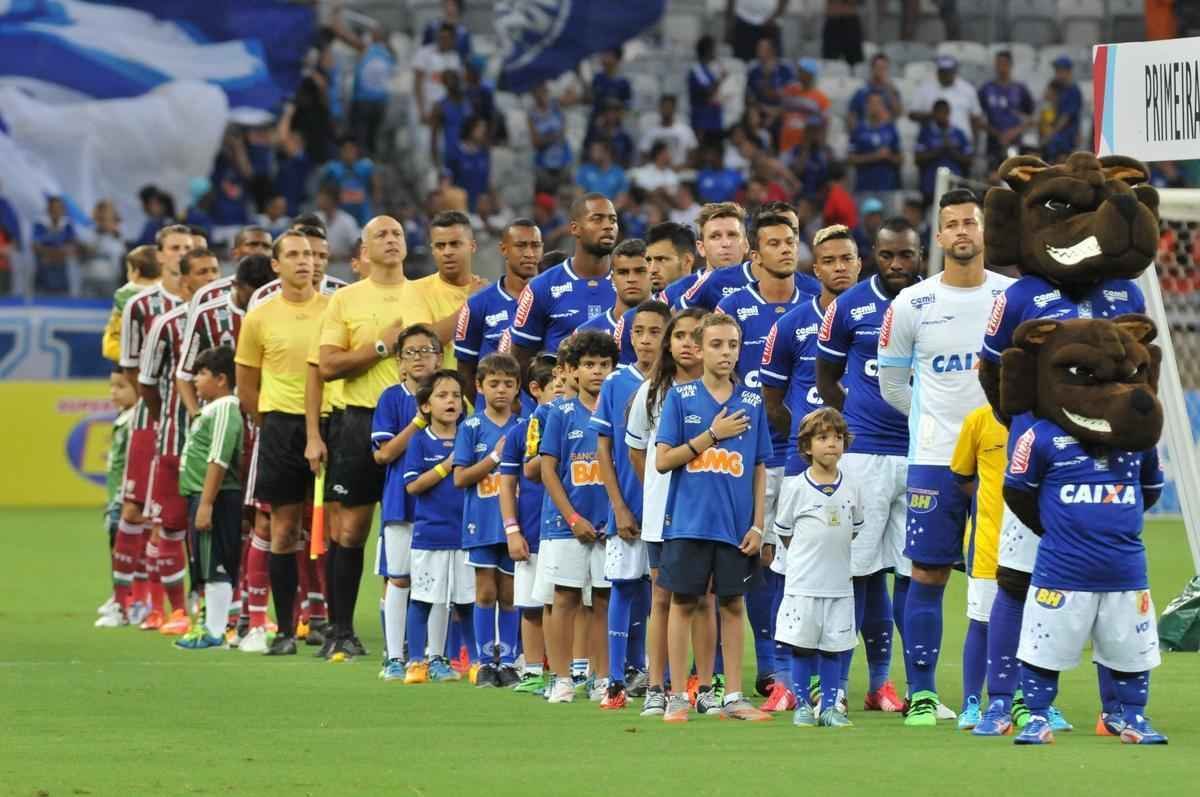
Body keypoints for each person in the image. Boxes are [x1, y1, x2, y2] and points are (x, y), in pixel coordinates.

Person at [877, 190, 1014, 725]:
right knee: (928, 572)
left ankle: (1008, 695)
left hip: (1001, 459)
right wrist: (927, 421)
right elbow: (891, 380)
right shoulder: (912, 302)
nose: (961, 232)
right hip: (935, 458)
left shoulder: (1010, 296)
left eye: (970, 223)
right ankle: (926, 694)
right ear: (938, 237)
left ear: (983, 233)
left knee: (1008, 576)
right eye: (951, 224)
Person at [1004, 386, 1166, 746]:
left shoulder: (1137, 438)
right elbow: (1017, 491)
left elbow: (1150, 491)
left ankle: (1134, 718)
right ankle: (1038, 718)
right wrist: (1059, 531)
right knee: (1041, 649)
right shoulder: (1041, 435)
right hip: (1061, 573)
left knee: (1132, 652)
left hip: (1125, 572)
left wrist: (1112, 526)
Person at [815, 217, 922, 714]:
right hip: (865, 458)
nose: (898, 264)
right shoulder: (849, 306)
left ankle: (891, 684)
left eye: (906, 255)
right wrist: (857, 421)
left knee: (913, 573)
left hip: (923, 457)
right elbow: (828, 377)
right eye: (888, 256)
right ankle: (834, 683)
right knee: (854, 573)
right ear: (873, 256)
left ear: (920, 254)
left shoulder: (933, 302)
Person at [758, 223, 861, 710]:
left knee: (856, 569)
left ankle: (853, 683)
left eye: (848, 258)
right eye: (830, 261)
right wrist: (807, 439)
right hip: (797, 469)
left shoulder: (877, 317)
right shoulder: (791, 324)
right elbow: (772, 398)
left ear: (859, 263)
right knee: (784, 566)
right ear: (814, 269)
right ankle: (784, 678)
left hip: (855, 462)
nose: (840, 267)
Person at [656, 312, 773, 722]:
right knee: (683, 601)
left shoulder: (752, 402)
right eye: (717, 345)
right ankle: (676, 696)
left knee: (733, 605)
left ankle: (734, 696)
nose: (726, 353)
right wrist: (711, 436)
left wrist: (759, 525)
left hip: (735, 527)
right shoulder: (680, 398)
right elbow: (663, 460)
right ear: (701, 349)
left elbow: (759, 467)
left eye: (733, 346)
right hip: (688, 522)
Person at [318, 215, 420, 658]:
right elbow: (327, 365)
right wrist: (382, 346)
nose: (391, 240)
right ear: (363, 249)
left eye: (397, 233)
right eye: (381, 234)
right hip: (359, 419)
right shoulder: (345, 300)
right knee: (352, 527)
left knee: (420, 528)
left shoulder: (423, 293)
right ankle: (340, 629)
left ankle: (419, 638)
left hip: (416, 420)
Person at [235, 231, 329, 655]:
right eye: (293, 255)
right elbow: (246, 388)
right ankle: (287, 630)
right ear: (275, 265)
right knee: (285, 529)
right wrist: (273, 421)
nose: (304, 261)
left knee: (336, 529)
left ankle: (331, 621)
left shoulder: (334, 309)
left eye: (309, 254)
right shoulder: (260, 317)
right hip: (280, 429)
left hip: (331, 423)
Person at [624, 308, 706, 714]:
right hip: (664, 516)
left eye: (697, 336)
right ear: (668, 344)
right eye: (680, 336)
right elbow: (637, 450)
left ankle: (703, 685)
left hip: (709, 514)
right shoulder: (652, 391)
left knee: (705, 599)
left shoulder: (722, 391)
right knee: (662, 598)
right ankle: (657, 685)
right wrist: (655, 493)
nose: (688, 343)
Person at [138, 248, 220, 637]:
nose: (211, 277)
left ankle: (215, 605)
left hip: (223, 443)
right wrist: (174, 420)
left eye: (215, 270)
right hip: (176, 440)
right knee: (171, 525)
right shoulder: (166, 324)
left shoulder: (231, 322)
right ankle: (175, 609)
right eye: (202, 272)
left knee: (222, 527)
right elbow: (148, 385)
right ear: (185, 281)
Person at [113, 225, 192, 630]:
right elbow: (131, 368)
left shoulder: (211, 301)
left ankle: (182, 602)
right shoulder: (141, 306)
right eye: (176, 248)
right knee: (138, 509)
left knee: (188, 516)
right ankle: (130, 600)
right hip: (153, 418)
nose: (183, 253)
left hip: (197, 423)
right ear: (159, 255)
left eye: (189, 247)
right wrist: (162, 410)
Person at [592, 300, 670, 708]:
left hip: (671, 511)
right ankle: (616, 680)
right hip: (627, 507)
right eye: (638, 332)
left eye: (655, 332)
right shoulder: (615, 383)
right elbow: (603, 449)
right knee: (623, 586)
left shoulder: (679, 383)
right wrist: (618, 506)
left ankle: (664, 678)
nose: (645, 340)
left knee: (664, 592)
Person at [539, 331, 620, 703]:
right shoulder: (560, 412)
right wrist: (572, 518)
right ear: (572, 370)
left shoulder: (620, 410)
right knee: (565, 598)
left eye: (604, 365)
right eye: (589, 365)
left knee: (604, 599)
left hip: (610, 525)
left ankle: (603, 678)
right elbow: (548, 470)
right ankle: (561, 678)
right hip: (564, 526)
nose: (597, 372)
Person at [773, 407, 863, 726]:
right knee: (802, 647)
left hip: (839, 585)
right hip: (803, 585)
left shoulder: (852, 486)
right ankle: (801, 706)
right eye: (823, 438)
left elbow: (854, 528)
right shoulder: (796, 487)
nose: (831, 444)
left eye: (837, 438)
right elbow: (784, 533)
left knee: (832, 649)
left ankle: (828, 708)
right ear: (807, 446)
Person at [374, 326, 445, 680]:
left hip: (442, 504)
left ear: (440, 357)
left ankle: (436, 657)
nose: (419, 358)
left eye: (426, 350)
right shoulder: (391, 399)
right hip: (401, 503)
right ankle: (393, 656)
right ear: (399, 363)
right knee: (400, 578)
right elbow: (384, 453)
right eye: (410, 353)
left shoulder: (451, 396)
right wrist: (421, 420)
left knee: (438, 581)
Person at [400, 370, 474, 684]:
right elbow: (413, 486)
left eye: (456, 395)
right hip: (431, 535)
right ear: (426, 406)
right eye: (442, 396)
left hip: (467, 534)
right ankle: (417, 661)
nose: (451, 401)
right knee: (423, 599)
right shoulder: (419, 442)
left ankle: (471, 660)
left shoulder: (471, 435)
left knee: (466, 600)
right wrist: (448, 465)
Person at [453, 353, 522, 685]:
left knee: (509, 593)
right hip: (480, 521)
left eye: (508, 384)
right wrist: (496, 456)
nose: (501, 390)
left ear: (518, 388)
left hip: (513, 524)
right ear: (479, 387)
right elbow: (460, 477)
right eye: (494, 384)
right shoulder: (471, 427)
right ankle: (483, 662)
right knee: (484, 592)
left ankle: (507, 660)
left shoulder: (524, 426)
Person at [174, 346, 244, 649]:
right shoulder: (213, 408)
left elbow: (219, 458)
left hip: (216, 498)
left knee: (215, 562)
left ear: (221, 379)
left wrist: (206, 503)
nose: (196, 380)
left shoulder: (226, 407)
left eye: (202, 374)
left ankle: (215, 630)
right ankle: (211, 624)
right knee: (205, 562)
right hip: (202, 496)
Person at [506, 194, 617, 377]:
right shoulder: (541, 287)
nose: (608, 226)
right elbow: (521, 359)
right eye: (597, 219)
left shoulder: (632, 282)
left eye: (613, 219)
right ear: (574, 228)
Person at [498, 358, 560, 693]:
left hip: (567, 530)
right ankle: (534, 670)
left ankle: (576, 671)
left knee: (569, 605)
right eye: (556, 383)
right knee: (533, 607)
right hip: (532, 530)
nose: (563, 388)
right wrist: (512, 530)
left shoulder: (580, 422)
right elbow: (507, 485)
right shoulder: (520, 432)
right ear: (536, 389)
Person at [947, 404, 1007, 729]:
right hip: (987, 543)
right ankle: (972, 701)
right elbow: (961, 475)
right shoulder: (978, 420)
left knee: (1032, 627)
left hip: (1033, 544)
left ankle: (1027, 702)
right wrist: (988, 503)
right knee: (982, 623)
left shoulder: (1041, 417)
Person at [455, 219, 543, 401]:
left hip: (543, 414)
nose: (529, 253)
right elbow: (465, 370)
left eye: (535, 246)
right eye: (521, 246)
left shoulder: (551, 299)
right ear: (504, 249)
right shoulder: (477, 304)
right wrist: (490, 410)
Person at [95, 368, 139, 628]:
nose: (114, 392)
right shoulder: (123, 417)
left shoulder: (136, 420)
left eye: (121, 386)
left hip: (126, 495)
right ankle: (120, 595)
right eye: (112, 386)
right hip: (116, 494)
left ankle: (128, 600)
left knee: (125, 547)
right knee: (116, 545)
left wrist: (124, 495)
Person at [578, 238, 651, 347]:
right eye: (623, 272)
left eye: (640, 271)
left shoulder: (671, 324)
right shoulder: (585, 334)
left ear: (652, 274)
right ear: (612, 278)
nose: (631, 279)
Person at [978, 50, 1035, 171]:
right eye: (998, 64)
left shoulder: (1020, 89)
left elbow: (1031, 118)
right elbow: (977, 117)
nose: (1001, 67)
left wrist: (1014, 132)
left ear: (1010, 65)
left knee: (1015, 177)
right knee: (993, 178)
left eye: (1004, 64)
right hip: (993, 143)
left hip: (1015, 143)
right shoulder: (986, 89)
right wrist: (996, 133)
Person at [102, 246, 161, 363]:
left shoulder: (125, 293)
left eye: (128, 270)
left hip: (131, 351)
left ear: (136, 272)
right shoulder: (169, 291)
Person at [909, 56, 983, 139]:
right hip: (932, 142)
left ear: (955, 72)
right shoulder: (924, 88)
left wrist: (974, 145)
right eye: (943, 72)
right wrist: (933, 115)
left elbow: (975, 118)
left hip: (961, 142)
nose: (946, 75)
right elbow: (912, 114)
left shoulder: (968, 89)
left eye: (949, 72)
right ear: (938, 72)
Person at [915, 100, 974, 205]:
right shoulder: (926, 133)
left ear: (949, 112)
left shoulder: (958, 133)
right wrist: (939, 150)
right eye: (938, 113)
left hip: (954, 185)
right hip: (930, 185)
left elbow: (969, 160)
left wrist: (952, 151)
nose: (941, 115)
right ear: (933, 113)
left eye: (944, 112)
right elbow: (918, 158)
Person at [319, 136, 379, 227]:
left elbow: (376, 187)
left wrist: (375, 207)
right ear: (340, 151)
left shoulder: (366, 166)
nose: (348, 152)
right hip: (341, 214)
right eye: (345, 149)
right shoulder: (333, 169)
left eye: (351, 148)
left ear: (356, 150)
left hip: (363, 214)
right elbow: (323, 188)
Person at [413, 22, 465, 128]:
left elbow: (457, 87)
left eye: (446, 38)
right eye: (440, 37)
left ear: (453, 39)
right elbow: (417, 84)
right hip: (428, 108)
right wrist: (422, 111)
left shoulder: (455, 58)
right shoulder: (424, 53)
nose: (442, 41)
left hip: (447, 112)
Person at [849, 94, 902, 194]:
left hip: (887, 187)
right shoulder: (859, 130)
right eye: (871, 103)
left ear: (882, 106)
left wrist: (888, 156)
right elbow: (851, 159)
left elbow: (900, 160)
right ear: (866, 106)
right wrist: (875, 156)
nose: (875, 106)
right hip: (864, 187)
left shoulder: (890, 129)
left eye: (878, 103)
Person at [778, 59, 830, 153]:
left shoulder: (821, 98)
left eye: (802, 71)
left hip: (807, 149)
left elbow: (824, 124)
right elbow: (782, 110)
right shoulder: (790, 90)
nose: (798, 73)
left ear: (809, 75)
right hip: (786, 145)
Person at [528, 83, 573, 192]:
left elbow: (562, 132)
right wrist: (552, 137)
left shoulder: (556, 107)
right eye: (538, 92)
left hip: (562, 159)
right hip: (543, 164)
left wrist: (547, 137)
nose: (541, 95)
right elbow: (536, 142)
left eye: (544, 91)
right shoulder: (532, 114)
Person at [32, 196, 78, 295]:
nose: (56, 211)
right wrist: (58, 252)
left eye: (59, 208)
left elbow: (71, 249)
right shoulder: (40, 224)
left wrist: (49, 253)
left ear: (63, 210)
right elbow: (35, 247)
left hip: (61, 272)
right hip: (43, 271)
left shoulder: (67, 225)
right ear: (48, 209)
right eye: (53, 208)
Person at [640, 95, 698, 170]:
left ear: (674, 108)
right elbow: (644, 155)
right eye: (664, 107)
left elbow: (693, 156)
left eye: (669, 107)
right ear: (659, 108)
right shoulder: (651, 133)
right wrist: (655, 169)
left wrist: (681, 168)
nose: (667, 110)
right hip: (657, 174)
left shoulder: (685, 131)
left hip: (680, 173)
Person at [1042, 57, 1082, 163]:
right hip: (1058, 135)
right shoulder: (1059, 88)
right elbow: (1046, 98)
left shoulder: (1073, 90)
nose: (1057, 74)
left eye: (1060, 70)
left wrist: (1051, 133)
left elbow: (1066, 116)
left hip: (1067, 135)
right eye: (1056, 71)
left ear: (1068, 72)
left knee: (1062, 162)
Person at [745, 37, 793, 126]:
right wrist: (758, 109)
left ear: (772, 51)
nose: (758, 51)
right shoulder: (753, 71)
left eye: (761, 48)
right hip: (760, 109)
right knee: (751, 117)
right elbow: (749, 96)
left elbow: (790, 95)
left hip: (781, 110)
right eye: (758, 48)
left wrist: (776, 113)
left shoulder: (785, 69)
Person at [688, 36, 726, 147]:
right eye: (713, 49)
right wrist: (721, 79)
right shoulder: (697, 70)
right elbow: (707, 91)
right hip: (703, 121)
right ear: (708, 50)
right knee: (702, 151)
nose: (715, 52)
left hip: (714, 120)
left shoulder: (708, 70)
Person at [848, 53, 903, 131]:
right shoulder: (862, 91)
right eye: (879, 67)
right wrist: (855, 133)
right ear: (872, 68)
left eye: (884, 68)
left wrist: (890, 89)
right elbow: (852, 113)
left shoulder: (892, 91)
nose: (881, 71)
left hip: (886, 132)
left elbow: (898, 113)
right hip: (865, 131)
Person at [315, 185, 362, 266]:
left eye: (323, 198)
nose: (319, 200)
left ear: (331, 200)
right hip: (319, 265)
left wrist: (340, 257)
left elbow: (357, 246)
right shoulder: (315, 219)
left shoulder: (347, 221)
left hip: (342, 266)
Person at [587, 48, 632, 126]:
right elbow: (591, 99)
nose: (604, 58)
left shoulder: (624, 82)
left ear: (617, 59)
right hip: (597, 121)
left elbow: (627, 105)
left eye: (608, 55)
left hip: (615, 123)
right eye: (603, 54)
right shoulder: (597, 78)